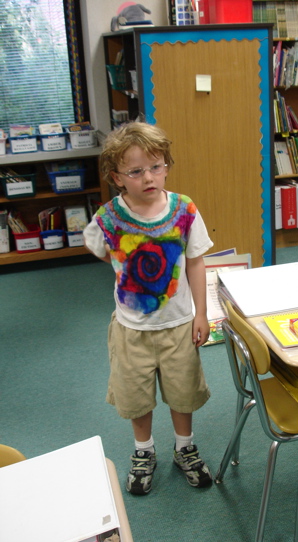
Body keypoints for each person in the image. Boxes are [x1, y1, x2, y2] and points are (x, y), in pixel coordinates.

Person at [84, 121, 213, 495]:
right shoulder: (108, 217)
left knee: (182, 390)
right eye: (136, 171)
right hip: (131, 329)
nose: (148, 177)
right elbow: (95, 245)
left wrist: (202, 313)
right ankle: (144, 450)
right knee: (135, 394)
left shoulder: (184, 209)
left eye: (156, 167)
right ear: (117, 177)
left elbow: (196, 262)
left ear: (167, 165)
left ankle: (184, 445)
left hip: (178, 325)